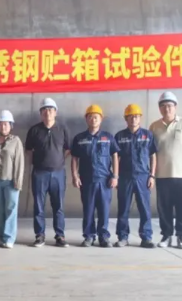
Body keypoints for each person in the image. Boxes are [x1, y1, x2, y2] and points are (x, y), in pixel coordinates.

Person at [149, 92, 182, 250]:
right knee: (164, 207)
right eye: (163, 106)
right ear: (159, 108)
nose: (167, 109)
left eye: (170, 106)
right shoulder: (154, 127)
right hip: (162, 175)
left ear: (175, 107)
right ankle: (166, 235)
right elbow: (151, 151)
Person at [71, 104, 119, 248]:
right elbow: (74, 158)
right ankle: (88, 236)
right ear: (86, 119)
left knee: (104, 210)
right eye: (90, 117)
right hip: (87, 181)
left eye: (96, 117)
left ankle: (103, 237)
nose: (93, 119)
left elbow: (115, 156)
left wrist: (115, 176)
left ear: (101, 119)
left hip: (105, 180)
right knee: (88, 210)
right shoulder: (79, 138)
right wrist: (75, 176)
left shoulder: (108, 137)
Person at [25, 98, 70, 247]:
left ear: (55, 112)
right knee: (39, 206)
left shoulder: (62, 129)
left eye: (50, 109)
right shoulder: (34, 130)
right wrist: (37, 163)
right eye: (44, 110)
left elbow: (68, 149)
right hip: (39, 173)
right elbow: (29, 150)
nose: (47, 112)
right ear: (40, 113)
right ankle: (40, 235)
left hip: (58, 173)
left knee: (59, 206)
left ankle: (60, 235)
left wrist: (58, 160)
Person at [114, 104, 158, 249]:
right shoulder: (119, 136)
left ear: (140, 118)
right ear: (126, 119)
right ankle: (122, 237)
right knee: (123, 208)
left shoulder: (148, 135)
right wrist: (116, 176)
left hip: (143, 177)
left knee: (144, 208)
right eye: (130, 116)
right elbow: (115, 158)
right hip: (124, 177)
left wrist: (152, 176)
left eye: (136, 116)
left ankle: (146, 238)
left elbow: (153, 156)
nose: (133, 119)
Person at [0, 110, 25, 249]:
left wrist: (17, 181)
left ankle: (9, 238)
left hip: (10, 180)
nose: (3, 127)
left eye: (6, 124)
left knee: (11, 208)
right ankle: (1, 236)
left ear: (11, 126)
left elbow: (19, 162)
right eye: (1, 124)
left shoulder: (16, 141)